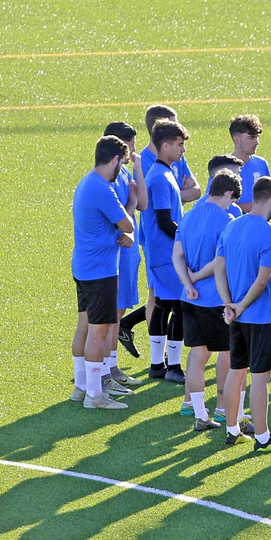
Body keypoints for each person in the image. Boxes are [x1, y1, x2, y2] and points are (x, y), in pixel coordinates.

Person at [215, 177, 271, 451]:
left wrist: (229, 305)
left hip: (235, 316)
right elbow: (262, 280)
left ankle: (232, 429)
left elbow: (219, 270)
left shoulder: (231, 227)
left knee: (237, 370)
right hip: (260, 316)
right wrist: (242, 306)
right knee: (261, 377)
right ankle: (262, 437)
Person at [71, 135, 137, 411]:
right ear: (115, 160)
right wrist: (132, 204)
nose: (120, 170)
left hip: (84, 266)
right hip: (101, 271)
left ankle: (81, 387)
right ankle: (95, 395)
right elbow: (128, 223)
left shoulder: (86, 182)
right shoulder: (103, 189)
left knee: (85, 327)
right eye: (120, 164)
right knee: (100, 332)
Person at [173, 168, 241, 433]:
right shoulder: (226, 222)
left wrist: (188, 284)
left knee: (198, 354)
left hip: (188, 299)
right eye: (232, 199)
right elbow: (220, 262)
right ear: (226, 193)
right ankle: (225, 409)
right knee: (229, 353)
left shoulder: (188, 217)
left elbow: (177, 256)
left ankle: (199, 413)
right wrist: (198, 278)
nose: (232, 204)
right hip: (213, 299)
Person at [142, 120, 190, 384]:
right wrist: (186, 239)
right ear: (165, 145)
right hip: (166, 253)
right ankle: (173, 367)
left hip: (160, 253)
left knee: (162, 305)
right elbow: (163, 220)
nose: (183, 150)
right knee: (182, 306)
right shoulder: (160, 178)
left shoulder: (164, 172)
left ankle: (156, 365)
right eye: (180, 145)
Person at [103, 121, 146, 386]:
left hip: (128, 253)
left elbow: (142, 202)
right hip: (117, 253)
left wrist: (139, 169)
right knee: (110, 316)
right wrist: (130, 205)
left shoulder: (125, 174)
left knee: (117, 314)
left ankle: (111, 367)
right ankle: (106, 371)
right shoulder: (109, 178)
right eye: (130, 145)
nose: (134, 150)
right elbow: (121, 216)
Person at [229, 114, 271, 214]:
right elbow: (214, 204)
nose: (256, 142)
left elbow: (270, 198)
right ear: (237, 140)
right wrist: (247, 207)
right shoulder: (223, 167)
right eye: (251, 138)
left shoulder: (261, 164)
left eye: (257, 137)